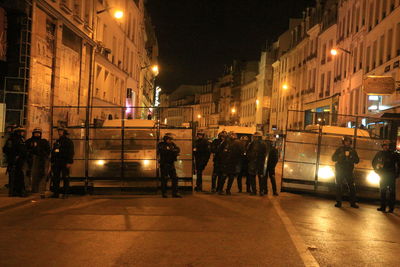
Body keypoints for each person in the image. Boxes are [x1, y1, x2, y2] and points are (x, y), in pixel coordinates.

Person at [332, 136, 360, 208]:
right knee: (339, 186)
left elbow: (357, 160)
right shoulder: (339, 149)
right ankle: (338, 202)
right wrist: (340, 156)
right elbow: (333, 158)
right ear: (343, 142)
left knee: (352, 187)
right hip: (340, 170)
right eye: (346, 141)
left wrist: (351, 158)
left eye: (348, 141)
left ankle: (352, 203)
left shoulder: (352, 151)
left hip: (349, 171)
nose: (347, 143)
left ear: (350, 142)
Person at [372, 140, 399, 213]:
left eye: (387, 146)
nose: (386, 147)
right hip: (383, 175)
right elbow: (374, 163)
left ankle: (391, 208)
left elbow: (399, 164)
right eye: (385, 146)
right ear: (382, 146)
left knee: (391, 192)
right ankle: (383, 207)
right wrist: (377, 171)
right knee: (383, 191)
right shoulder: (379, 154)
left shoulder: (393, 154)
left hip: (390, 175)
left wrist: (397, 174)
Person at [26, 128, 51, 199]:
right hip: (31, 160)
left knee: (42, 175)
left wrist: (44, 155)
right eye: (35, 133)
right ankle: (32, 189)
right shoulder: (29, 141)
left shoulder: (44, 141)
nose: (37, 134)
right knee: (31, 175)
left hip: (42, 160)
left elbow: (48, 150)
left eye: (38, 133)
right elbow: (26, 150)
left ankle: (41, 190)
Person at [3, 126, 28, 197]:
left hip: (19, 161)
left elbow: (24, 150)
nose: (22, 133)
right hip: (13, 160)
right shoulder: (11, 140)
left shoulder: (21, 139)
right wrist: (14, 156)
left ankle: (19, 191)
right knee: (13, 176)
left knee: (19, 175)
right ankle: (13, 191)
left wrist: (21, 155)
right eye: (21, 132)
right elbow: (6, 149)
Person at [51, 127, 74, 198]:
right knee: (56, 178)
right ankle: (56, 193)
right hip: (57, 162)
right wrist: (52, 160)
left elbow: (71, 152)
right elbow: (54, 151)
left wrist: (69, 162)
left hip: (65, 161)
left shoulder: (68, 141)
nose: (59, 132)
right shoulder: (57, 141)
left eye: (61, 131)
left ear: (64, 132)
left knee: (65, 178)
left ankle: (65, 193)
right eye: (59, 131)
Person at [158, 133, 182, 198]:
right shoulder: (161, 145)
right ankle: (164, 193)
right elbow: (164, 152)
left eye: (171, 139)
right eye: (169, 139)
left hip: (171, 163)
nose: (170, 141)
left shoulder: (172, 144)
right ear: (166, 139)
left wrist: (172, 151)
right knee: (164, 179)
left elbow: (178, 149)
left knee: (175, 178)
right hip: (164, 164)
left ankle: (175, 193)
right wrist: (172, 151)